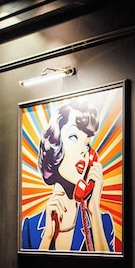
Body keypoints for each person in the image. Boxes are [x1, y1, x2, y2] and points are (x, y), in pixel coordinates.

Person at [21, 98, 115, 252]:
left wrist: (94, 211)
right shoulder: (30, 226)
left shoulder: (103, 222)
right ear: (55, 144)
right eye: (74, 137)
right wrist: (47, 237)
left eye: (87, 144)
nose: (83, 151)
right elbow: (29, 267)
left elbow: (110, 266)